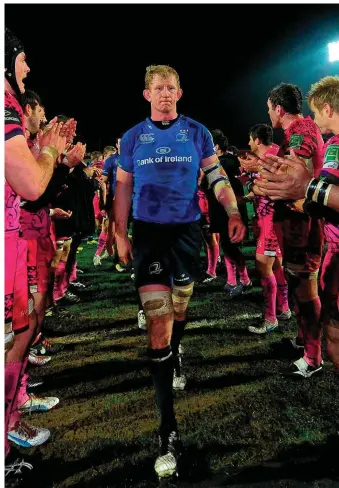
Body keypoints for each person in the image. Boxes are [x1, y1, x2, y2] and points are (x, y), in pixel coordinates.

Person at [114, 64, 246, 480]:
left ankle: (177, 350)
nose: (165, 94)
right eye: (158, 88)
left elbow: (216, 175)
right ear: (146, 94)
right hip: (150, 235)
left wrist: (232, 208)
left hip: (187, 234)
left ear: (180, 92)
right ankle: (166, 432)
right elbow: (121, 187)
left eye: (171, 88)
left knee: (180, 306)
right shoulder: (133, 137)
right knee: (158, 321)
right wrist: (120, 233)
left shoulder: (197, 132)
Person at [4, 27, 71, 475]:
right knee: (15, 336)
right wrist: (50, 153)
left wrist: (57, 162)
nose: (26, 67)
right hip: (14, 240)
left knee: (21, 331)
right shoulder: (5, 101)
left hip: (21, 238)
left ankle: (14, 409)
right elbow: (29, 185)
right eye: (21, 57)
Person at [256, 75, 339, 371]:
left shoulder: (300, 131)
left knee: (306, 292)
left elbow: (295, 181)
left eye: (269, 108)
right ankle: (305, 341)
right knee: (299, 288)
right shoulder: (301, 131)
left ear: (278, 108)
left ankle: (313, 357)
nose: (268, 114)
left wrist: (268, 181)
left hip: (301, 225)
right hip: (299, 222)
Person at [238, 124, 290, 333]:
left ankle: (270, 318)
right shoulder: (269, 155)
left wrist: (250, 185)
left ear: (257, 140)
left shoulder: (270, 158)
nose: (249, 143)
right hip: (266, 219)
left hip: (271, 220)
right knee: (276, 265)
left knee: (264, 267)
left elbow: (270, 189)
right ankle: (284, 308)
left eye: (250, 139)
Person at [205, 129, 251, 296]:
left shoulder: (224, 163)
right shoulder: (225, 162)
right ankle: (231, 280)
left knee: (232, 246)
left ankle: (244, 279)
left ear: (215, 146)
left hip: (228, 212)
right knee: (227, 245)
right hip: (220, 210)